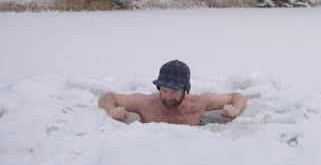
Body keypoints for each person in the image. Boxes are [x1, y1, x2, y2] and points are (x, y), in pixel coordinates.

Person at [98, 60, 247, 125]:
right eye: (164, 90)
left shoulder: (199, 103)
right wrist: (112, 111)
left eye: (174, 91)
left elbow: (237, 97)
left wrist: (235, 109)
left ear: (185, 89)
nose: (167, 97)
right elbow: (107, 97)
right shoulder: (145, 103)